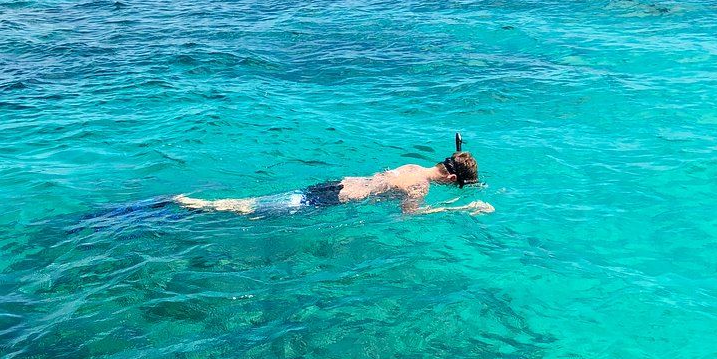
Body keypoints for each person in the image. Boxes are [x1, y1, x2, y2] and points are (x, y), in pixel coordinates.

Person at [172, 134, 493, 217]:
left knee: (265, 202)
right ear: (450, 180)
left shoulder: (414, 167)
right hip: (337, 199)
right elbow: (408, 217)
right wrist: (461, 208)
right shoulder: (419, 188)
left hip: (340, 183)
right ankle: (197, 205)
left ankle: (200, 205)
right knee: (252, 209)